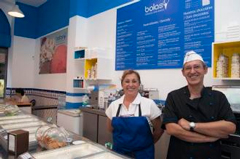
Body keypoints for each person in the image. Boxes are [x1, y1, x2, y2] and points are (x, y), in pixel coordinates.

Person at [162, 51, 236, 159]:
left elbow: (230, 127)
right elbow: (172, 129)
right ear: (183, 72)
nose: (192, 71)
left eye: (196, 67)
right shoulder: (173, 96)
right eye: (188, 68)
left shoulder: (218, 97)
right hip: (180, 155)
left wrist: (191, 125)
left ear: (205, 69)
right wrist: (209, 137)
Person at [105, 70, 163, 159]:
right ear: (122, 84)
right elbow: (110, 128)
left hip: (143, 154)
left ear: (139, 84)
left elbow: (159, 130)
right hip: (119, 153)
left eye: (134, 81)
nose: (130, 85)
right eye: (127, 81)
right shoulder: (114, 105)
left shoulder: (149, 104)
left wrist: (145, 145)